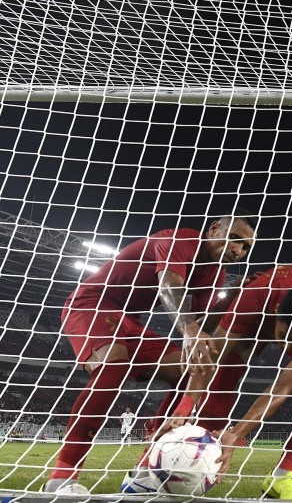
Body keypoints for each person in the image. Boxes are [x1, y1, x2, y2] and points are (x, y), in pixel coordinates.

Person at [44, 212, 257, 495]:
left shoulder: (215, 273)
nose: (238, 251)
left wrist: (232, 296)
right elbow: (169, 286)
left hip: (130, 321)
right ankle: (62, 476)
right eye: (234, 239)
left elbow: (204, 322)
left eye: (245, 248)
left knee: (190, 371)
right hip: (91, 305)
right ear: (214, 228)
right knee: (114, 364)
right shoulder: (178, 240)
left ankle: (148, 467)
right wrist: (189, 329)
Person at [123, 265, 292, 501]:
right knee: (226, 355)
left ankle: (283, 474)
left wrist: (236, 433)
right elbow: (212, 356)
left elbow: (283, 388)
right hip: (257, 311)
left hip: (291, 314)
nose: (287, 349)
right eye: (284, 338)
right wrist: (184, 408)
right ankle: (153, 462)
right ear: (279, 312)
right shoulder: (256, 295)